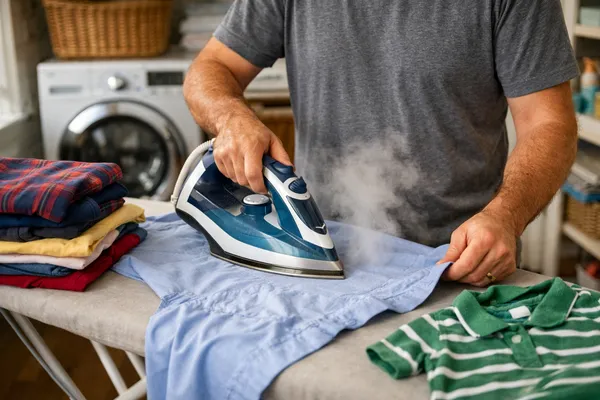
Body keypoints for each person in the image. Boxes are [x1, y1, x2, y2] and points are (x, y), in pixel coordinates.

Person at [183, 0, 579, 287]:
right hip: (330, 257)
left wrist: (504, 218)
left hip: (459, 263)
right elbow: (212, 68)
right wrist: (231, 119)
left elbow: (549, 124)